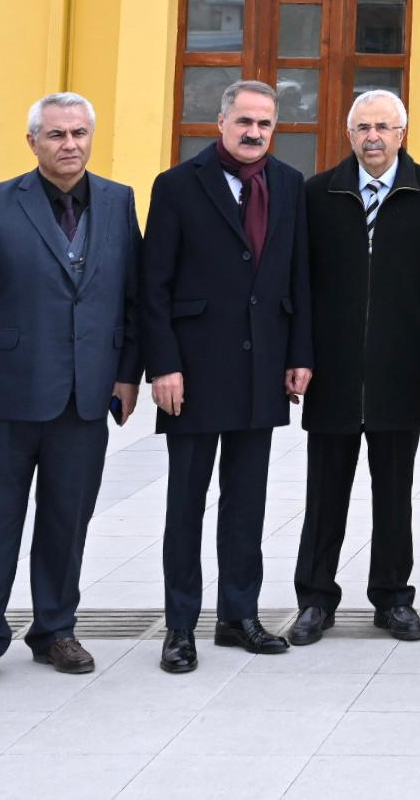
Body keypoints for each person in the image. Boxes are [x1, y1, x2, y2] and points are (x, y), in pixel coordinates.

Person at [0, 90, 141, 690]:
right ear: (32, 141)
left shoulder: (118, 201)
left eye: (79, 133)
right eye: (56, 134)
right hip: (6, 395)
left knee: (67, 520)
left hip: (85, 395)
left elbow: (133, 297)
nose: (69, 144)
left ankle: (55, 629)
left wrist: (126, 373)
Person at [142, 77, 313, 673]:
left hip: (261, 368)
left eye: (264, 123)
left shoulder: (288, 185)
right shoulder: (177, 185)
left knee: (247, 503)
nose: (254, 132)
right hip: (192, 372)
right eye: (244, 121)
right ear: (220, 123)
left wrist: (299, 354)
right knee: (186, 505)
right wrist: (163, 364)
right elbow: (153, 285)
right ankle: (180, 627)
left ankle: (239, 616)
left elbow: (298, 278)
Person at [292, 88, 420, 644]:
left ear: (402, 134)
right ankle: (315, 600)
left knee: (394, 493)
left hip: (400, 370)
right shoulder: (317, 194)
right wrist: (299, 356)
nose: (373, 137)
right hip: (331, 372)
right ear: (349, 134)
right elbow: (299, 285)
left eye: (384, 127)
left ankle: (392, 599)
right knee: (324, 495)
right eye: (363, 127)